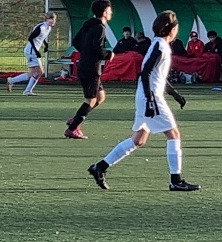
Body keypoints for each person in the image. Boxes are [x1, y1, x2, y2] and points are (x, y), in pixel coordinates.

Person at [86, 10, 200, 191]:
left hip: (147, 95)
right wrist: (150, 100)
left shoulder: (159, 45)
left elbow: (156, 75)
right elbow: (145, 72)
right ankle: (176, 180)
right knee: (174, 134)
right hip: (151, 96)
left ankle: (100, 167)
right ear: (172, 29)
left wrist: (174, 93)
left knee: (139, 139)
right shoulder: (160, 46)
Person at [65, 0, 114, 139]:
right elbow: (98, 49)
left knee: (100, 97)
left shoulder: (89, 24)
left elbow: (76, 41)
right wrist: (109, 54)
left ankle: (76, 119)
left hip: (87, 66)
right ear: (104, 12)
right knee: (91, 100)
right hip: (91, 68)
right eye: (109, 10)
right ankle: (72, 129)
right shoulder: (100, 28)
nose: (111, 12)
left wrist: (86, 53)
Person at [6, 12, 57, 96]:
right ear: (46, 19)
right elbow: (30, 38)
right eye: (51, 19)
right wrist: (36, 51)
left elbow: (41, 37)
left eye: (54, 19)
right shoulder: (41, 27)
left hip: (33, 51)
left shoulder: (48, 28)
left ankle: (11, 81)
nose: (53, 21)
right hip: (31, 51)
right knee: (39, 72)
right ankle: (27, 91)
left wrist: (46, 45)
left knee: (33, 74)